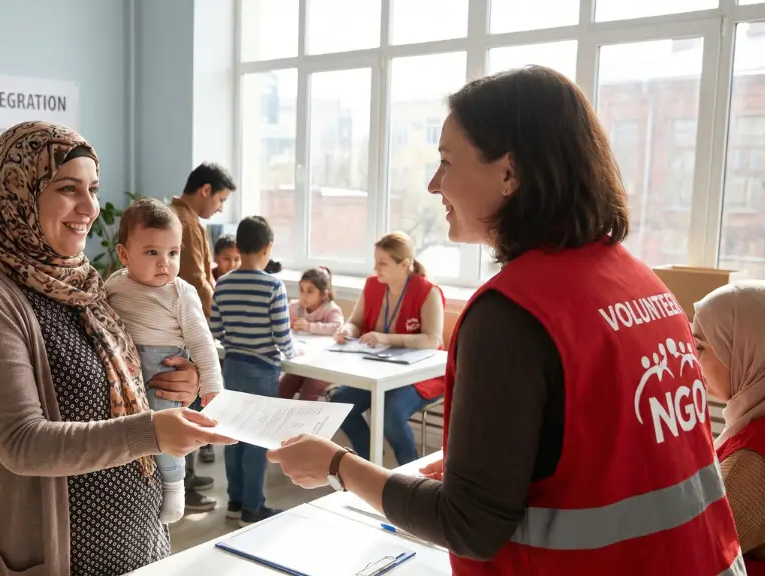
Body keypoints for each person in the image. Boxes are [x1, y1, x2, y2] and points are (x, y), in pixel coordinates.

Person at [266, 66, 743, 575]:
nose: (434, 183)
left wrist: (337, 465)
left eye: (447, 162)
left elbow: (470, 524)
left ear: (510, 173)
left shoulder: (513, 312)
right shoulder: (643, 283)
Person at [0, 121, 233, 576]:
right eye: (67, 188)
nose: (90, 207)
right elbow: (22, 443)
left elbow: (128, 376)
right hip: (62, 552)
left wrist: (185, 378)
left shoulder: (85, 282)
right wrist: (153, 432)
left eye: (93, 188)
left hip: (138, 537)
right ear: (17, 192)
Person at [105, 198, 224, 524]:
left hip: (164, 366)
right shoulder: (114, 285)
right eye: (152, 252)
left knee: (163, 423)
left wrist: (211, 386)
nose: (164, 263)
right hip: (124, 367)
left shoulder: (181, 292)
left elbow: (202, 342)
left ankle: (175, 484)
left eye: (173, 253)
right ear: (124, 255)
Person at [329, 232, 445, 465]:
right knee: (338, 403)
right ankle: (369, 461)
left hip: (421, 375)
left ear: (404, 265)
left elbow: (433, 340)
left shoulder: (427, 291)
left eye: (383, 263)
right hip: (379, 370)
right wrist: (347, 331)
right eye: (375, 261)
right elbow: (356, 322)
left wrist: (387, 338)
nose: (376, 268)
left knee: (389, 414)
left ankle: (410, 474)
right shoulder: (373, 284)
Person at [212, 215, 298, 526]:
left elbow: (216, 329)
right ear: (267, 248)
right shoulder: (273, 285)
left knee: (233, 436)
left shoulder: (223, 282)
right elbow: (281, 334)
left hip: (232, 367)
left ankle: (234, 502)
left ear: (240, 246)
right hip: (262, 370)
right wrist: (293, 353)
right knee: (258, 439)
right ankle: (253, 507)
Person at [171, 162, 235, 502]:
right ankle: (182, 481)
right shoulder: (180, 220)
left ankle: (189, 476)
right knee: (188, 400)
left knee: (193, 398)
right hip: (185, 323)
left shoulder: (190, 219)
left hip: (193, 320)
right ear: (205, 190)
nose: (221, 208)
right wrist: (225, 316)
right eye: (220, 199)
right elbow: (197, 281)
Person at [694, 281, 765, 573]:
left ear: (745, 348)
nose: (691, 360)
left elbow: (695, 555)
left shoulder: (752, 461)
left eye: (700, 346)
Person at [278, 266, 344, 401]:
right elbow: (281, 323)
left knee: (308, 393)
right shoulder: (294, 307)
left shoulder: (331, 310)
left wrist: (309, 327)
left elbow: (337, 327)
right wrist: (288, 324)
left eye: (310, 291)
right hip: (301, 363)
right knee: (282, 387)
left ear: (324, 294)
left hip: (324, 366)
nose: (304, 295)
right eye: (301, 290)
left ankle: (303, 421)